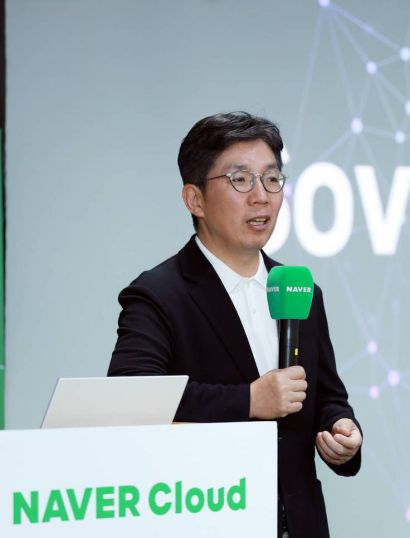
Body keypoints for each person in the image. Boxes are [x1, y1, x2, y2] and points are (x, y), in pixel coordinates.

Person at [108, 111, 362, 537]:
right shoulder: (158, 294)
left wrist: (342, 431)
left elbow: (327, 398)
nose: (261, 197)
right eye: (240, 180)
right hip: (205, 520)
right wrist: (248, 400)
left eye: (272, 179)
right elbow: (131, 396)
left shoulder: (300, 290)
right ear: (195, 200)